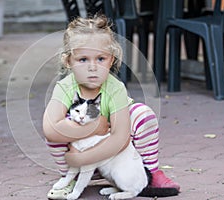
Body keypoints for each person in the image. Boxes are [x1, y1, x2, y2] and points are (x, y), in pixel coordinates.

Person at [43, 15, 180, 199]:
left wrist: (88, 156)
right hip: (80, 160)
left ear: (111, 60)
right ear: (68, 61)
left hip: (114, 162)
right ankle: (70, 179)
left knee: (142, 115)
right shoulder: (65, 87)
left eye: (100, 58)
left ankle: (150, 171)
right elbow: (49, 128)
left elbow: (121, 137)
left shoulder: (115, 88)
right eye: (83, 59)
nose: (93, 67)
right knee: (55, 129)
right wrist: (92, 129)